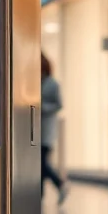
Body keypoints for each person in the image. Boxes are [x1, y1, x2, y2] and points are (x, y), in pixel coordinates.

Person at [40, 54, 68, 203]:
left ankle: (60, 183)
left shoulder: (53, 84)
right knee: (39, 164)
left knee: (41, 162)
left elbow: (59, 104)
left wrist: (42, 107)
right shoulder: (34, 82)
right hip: (34, 129)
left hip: (46, 129)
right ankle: (40, 194)